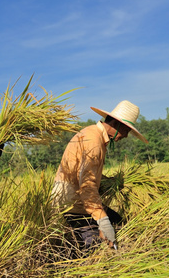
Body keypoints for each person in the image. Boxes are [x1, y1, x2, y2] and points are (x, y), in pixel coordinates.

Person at [51, 100, 148, 254]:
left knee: (117, 221)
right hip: (74, 204)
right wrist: (102, 221)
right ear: (118, 125)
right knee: (95, 246)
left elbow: (83, 171)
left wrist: (105, 180)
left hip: (71, 199)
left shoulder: (92, 133)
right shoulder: (94, 142)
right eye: (127, 130)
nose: (127, 136)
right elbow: (87, 186)